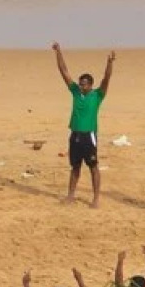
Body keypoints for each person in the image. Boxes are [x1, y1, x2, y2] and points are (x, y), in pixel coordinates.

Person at [52, 43, 115, 208]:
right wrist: (59, 51)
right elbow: (64, 71)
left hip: (89, 136)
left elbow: (106, 79)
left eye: (84, 84)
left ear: (90, 85)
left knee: (93, 167)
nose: (80, 86)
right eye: (80, 83)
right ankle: (71, 196)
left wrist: (110, 63)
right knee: (75, 167)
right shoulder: (75, 92)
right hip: (75, 135)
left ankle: (95, 199)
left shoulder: (97, 95)